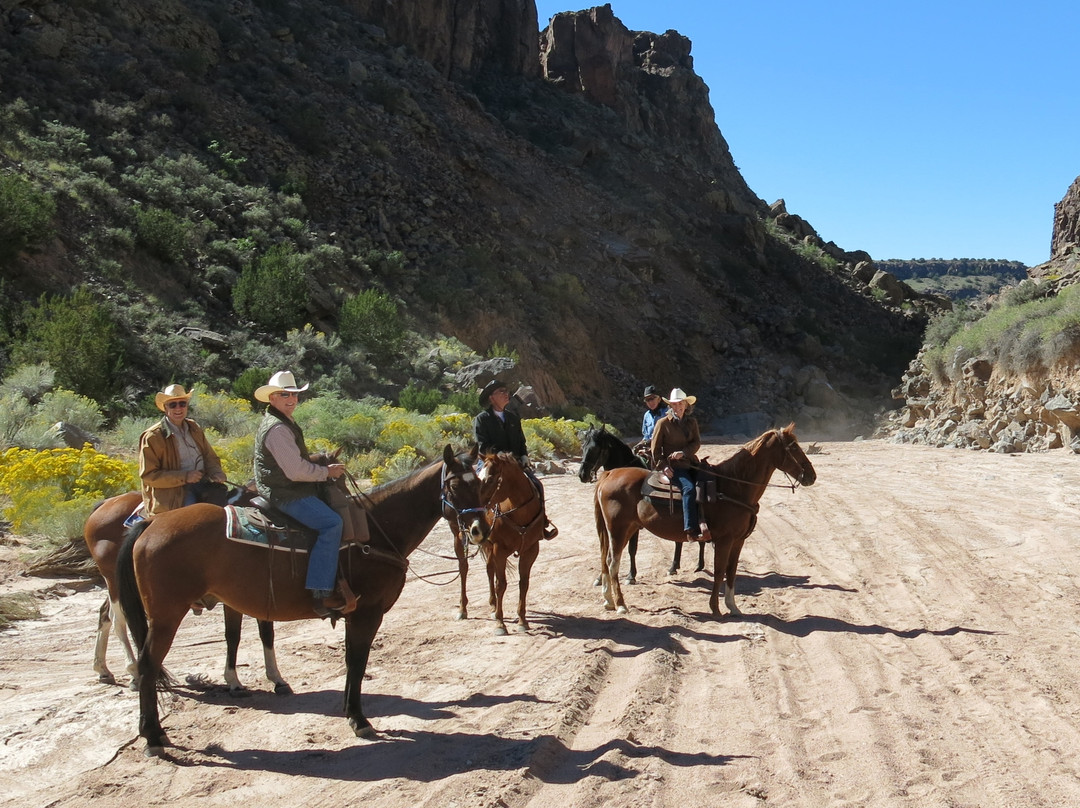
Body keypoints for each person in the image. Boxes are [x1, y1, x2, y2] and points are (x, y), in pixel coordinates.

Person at [252, 370, 347, 618]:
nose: (291, 399)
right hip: (285, 492)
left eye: (294, 394)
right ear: (272, 398)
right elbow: (295, 471)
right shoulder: (279, 429)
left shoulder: (282, 421)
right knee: (332, 523)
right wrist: (326, 472)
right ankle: (320, 591)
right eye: (285, 394)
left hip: (282, 486)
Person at [473, 379, 558, 539]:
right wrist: (500, 457)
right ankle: (473, 527)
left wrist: (524, 455)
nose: (507, 394)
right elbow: (483, 445)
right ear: (492, 397)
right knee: (477, 489)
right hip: (491, 463)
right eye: (502, 392)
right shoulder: (482, 419)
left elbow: (521, 442)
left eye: (507, 391)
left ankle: (542, 523)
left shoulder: (513, 418)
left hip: (514, 465)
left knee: (537, 485)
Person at [138, 384, 228, 518]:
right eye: (172, 405)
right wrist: (185, 477)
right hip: (174, 493)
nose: (178, 408)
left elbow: (209, 457)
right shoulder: (154, 437)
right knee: (192, 522)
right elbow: (149, 476)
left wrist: (216, 472)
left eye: (182, 403)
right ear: (165, 408)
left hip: (203, 483)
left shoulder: (194, 427)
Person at [649, 387, 710, 541]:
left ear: (686, 405)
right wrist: (664, 466)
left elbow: (696, 442)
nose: (678, 407)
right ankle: (690, 529)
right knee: (689, 488)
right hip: (675, 467)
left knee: (709, 483)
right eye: (674, 404)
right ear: (671, 406)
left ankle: (705, 520)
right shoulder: (663, 424)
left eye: (680, 403)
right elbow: (655, 450)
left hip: (691, 462)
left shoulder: (692, 422)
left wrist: (684, 453)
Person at [633, 384, 669, 455]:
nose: (650, 402)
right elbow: (646, 437)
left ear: (659, 399)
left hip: (664, 449)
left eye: (652, 399)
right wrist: (638, 445)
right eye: (647, 400)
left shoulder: (667, 412)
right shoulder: (647, 415)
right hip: (649, 448)